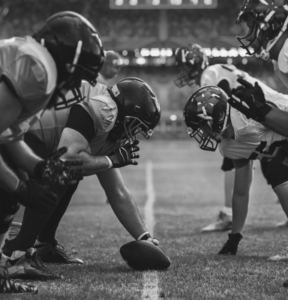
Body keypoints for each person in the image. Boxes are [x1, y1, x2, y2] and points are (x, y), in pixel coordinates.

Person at [2, 77, 161, 280]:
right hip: (21, 132)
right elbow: (68, 159)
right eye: (134, 126)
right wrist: (111, 160)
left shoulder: (109, 121)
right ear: (128, 111)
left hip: (32, 134)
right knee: (65, 172)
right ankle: (18, 256)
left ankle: (43, 245)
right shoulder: (105, 109)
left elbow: (117, 191)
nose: (132, 135)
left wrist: (144, 237)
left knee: (71, 174)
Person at [0, 11, 105, 294]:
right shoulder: (38, 69)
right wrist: (21, 187)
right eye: (78, 74)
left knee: (10, 189)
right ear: (64, 58)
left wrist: (38, 168)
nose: (74, 85)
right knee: (7, 190)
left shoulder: (33, 59)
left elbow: (8, 136)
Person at [174, 44, 276, 232]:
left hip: (262, 117)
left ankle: (228, 214)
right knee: (272, 166)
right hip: (262, 115)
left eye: (185, 66)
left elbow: (222, 104)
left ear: (196, 63)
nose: (183, 71)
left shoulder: (208, 75)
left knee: (246, 162)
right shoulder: (215, 70)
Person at [183, 84, 288, 259]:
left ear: (216, 117)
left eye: (203, 126)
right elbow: (241, 191)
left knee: (277, 170)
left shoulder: (244, 116)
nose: (203, 133)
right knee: (277, 168)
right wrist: (235, 236)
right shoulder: (229, 146)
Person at [227, 1, 288, 231]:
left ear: (272, 24)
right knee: (277, 166)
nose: (249, 33)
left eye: (253, 25)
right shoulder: (280, 57)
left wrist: (263, 112)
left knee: (278, 167)